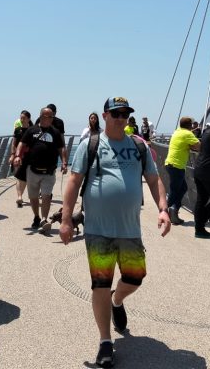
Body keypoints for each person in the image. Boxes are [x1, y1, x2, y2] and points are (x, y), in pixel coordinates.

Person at [60, 96, 171, 369]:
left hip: (129, 228)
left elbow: (154, 180)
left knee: (135, 277)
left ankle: (117, 300)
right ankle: (105, 342)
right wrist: (65, 219)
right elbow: (74, 181)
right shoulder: (91, 145)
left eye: (125, 114)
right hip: (98, 229)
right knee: (100, 283)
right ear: (105, 115)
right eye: (116, 113)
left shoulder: (138, 147)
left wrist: (163, 209)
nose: (121, 118)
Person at [13, 107, 68, 234]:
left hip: (49, 171)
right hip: (33, 170)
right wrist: (17, 156)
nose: (52, 119)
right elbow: (21, 144)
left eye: (52, 116)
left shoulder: (55, 132)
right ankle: (36, 216)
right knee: (33, 197)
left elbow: (61, 148)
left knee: (46, 195)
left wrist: (64, 162)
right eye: (50, 117)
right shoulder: (32, 130)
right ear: (43, 116)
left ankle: (44, 219)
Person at [164, 116, 200, 225]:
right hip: (177, 165)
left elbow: (187, 144)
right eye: (192, 124)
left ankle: (174, 211)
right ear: (189, 125)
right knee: (175, 191)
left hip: (170, 163)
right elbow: (199, 146)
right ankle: (165, 212)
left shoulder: (177, 131)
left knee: (182, 188)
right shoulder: (187, 134)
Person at [10, 110, 32, 208]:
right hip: (18, 157)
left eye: (24, 118)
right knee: (19, 177)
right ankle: (19, 197)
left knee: (25, 178)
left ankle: (21, 195)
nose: (22, 120)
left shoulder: (32, 130)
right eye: (21, 118)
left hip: (29, 157)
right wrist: (12, 155)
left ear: (28, 119)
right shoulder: (17, 130)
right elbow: (14, 143)